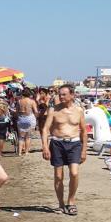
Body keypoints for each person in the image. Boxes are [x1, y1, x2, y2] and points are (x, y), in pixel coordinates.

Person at [40, 84, 86, 214]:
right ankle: (61, 203)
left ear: (72, 95)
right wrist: (44, 146)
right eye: (60, 94)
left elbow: (83, 131)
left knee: (74, 173)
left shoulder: (79, 110)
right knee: (58, 176)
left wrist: (84, 150)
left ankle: (71, 201)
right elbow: (45, 129)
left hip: (74, 143)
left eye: (64, 94)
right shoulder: (53, 110)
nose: (61, 96)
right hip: (57, 143)